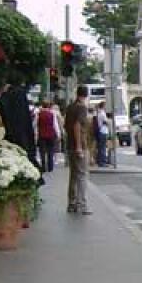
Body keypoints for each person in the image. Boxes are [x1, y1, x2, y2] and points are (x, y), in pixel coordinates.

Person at [64, 87, 92, 215]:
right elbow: (77, 125)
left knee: (73, 175)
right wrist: (79, 146)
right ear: (86, 95)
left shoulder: (70, 107)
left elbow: (66, 126)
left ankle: (71, 203)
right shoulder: (82, 108)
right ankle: (82, 205)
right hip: (80, 146)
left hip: (70, 145)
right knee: (82, 176)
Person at [35, 98, 59, 174]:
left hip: (42, 135)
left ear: (42, 105)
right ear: (49, 106)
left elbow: (35, 124)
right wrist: (58, 134)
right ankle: (50, 167)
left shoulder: (38, 114)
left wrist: (35, 134)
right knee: (50, 151)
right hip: (51, 134)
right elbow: (55, 125)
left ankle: (43, 167)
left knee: (42, 151)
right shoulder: (52, 114)